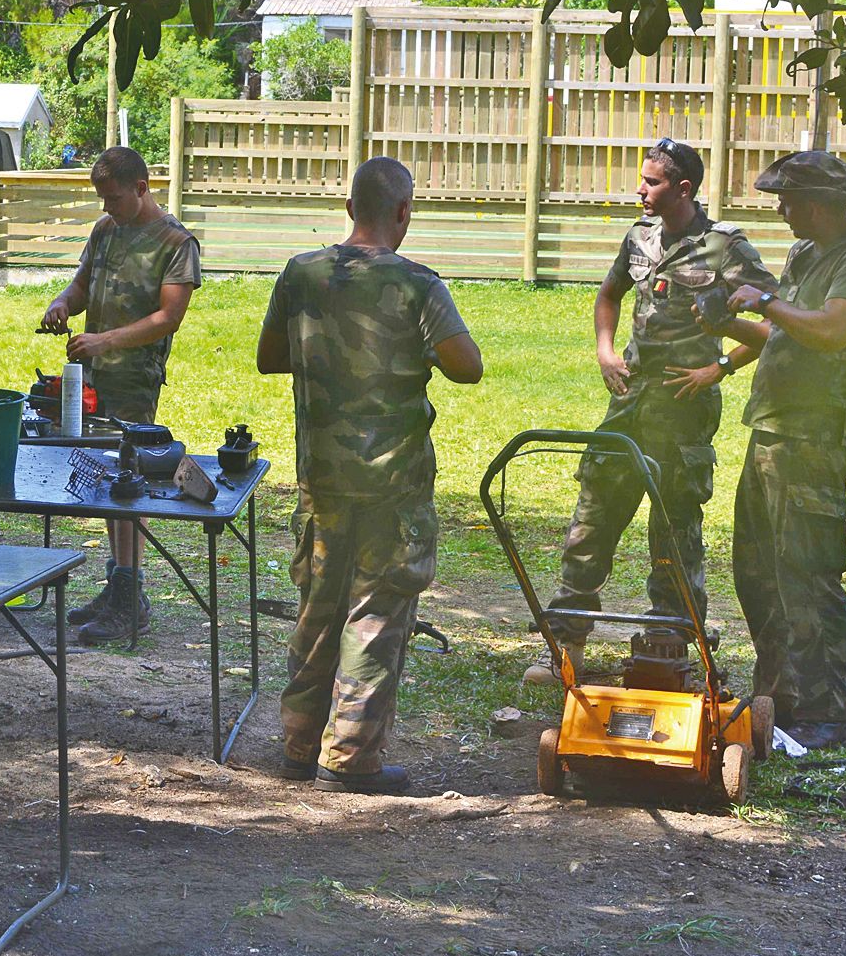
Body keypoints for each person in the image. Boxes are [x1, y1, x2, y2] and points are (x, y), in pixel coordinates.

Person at [256, 157, 481, 794]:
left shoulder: (301, 273)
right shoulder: (417, 284)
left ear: (351, 207)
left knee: (318, 610)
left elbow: (270, 357)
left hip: (321, 477)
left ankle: (299, 746)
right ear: (403, 212)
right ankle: (350, 758)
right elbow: (468, 366)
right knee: (375, 614)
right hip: (392, 483)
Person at [523, 140, 776, 685]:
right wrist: (605, 350)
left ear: (683, 189)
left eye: (652, 182)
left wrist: (723, 367)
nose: (641, 190)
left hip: (682, 411)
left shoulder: (726, 248)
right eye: (642, 180)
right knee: (593, 517)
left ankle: (669, 655)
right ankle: (566, 649)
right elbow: (609, 294)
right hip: (628, 405)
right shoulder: (638, 236)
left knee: (674, 530)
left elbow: (774, 324)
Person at [704, 151, 846, 752]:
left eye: (787, 200)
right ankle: (776, 703)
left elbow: (833, 330)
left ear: (816, 204)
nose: (780, 211)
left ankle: (825, 714)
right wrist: (724, 321)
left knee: (807, 577)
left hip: (813, 440)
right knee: (759, 574)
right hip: (772, 431)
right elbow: (785, 330)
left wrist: (764, 301)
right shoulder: (805, 254)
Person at [39, 146, 201, 644]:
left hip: (133, 380)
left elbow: (168, 317)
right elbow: (83, 284)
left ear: (142, 188)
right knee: (105, 482)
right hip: (93, 379)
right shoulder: (106, 230)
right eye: (100, 198)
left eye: (112, 198)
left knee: (126, 483)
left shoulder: (176, 242)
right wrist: (63, 302)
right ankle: (118, 585)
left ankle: (131, 599)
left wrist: (106, 339)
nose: (105, 207)